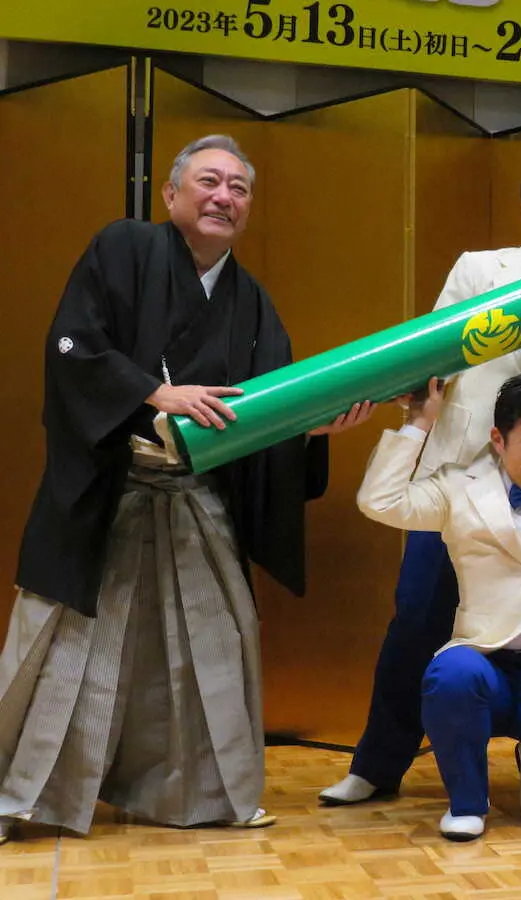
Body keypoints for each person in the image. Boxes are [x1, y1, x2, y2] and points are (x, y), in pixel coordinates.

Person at [0, 134, 369, 842]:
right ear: (171, 194)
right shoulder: (123, 250)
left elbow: (259, 417)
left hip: (195, 499)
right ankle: (23, 795)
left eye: (239, 187)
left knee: (211, 645)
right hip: (110, 489)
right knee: (66, 642)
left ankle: (197, 794)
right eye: (209, 181)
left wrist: (310, 432)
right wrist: (156, 394)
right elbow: (73, 347)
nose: (224, 196)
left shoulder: (252, 304)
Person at [321, 152, 521, 811]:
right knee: (415, 627)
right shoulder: (477, 268)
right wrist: (397, 412)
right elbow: (439, 348)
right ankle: (378, 765)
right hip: (458, 476)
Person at [356, 360, 521, 840]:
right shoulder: (458, 487)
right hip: (485, 666)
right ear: (499, 439)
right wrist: (418, 421)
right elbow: (378, 501)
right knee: (451, 675)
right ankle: (467, 801)